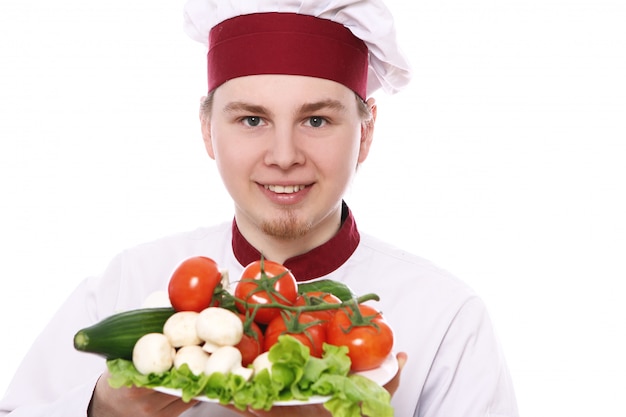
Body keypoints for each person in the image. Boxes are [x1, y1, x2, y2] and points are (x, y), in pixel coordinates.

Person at [0, 0, 519, 416]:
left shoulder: (447, 318)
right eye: (252, 120)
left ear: (366, 133)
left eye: (317, 121)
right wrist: (101, 412)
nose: (284, 156)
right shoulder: (125, 285)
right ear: (207, 129)